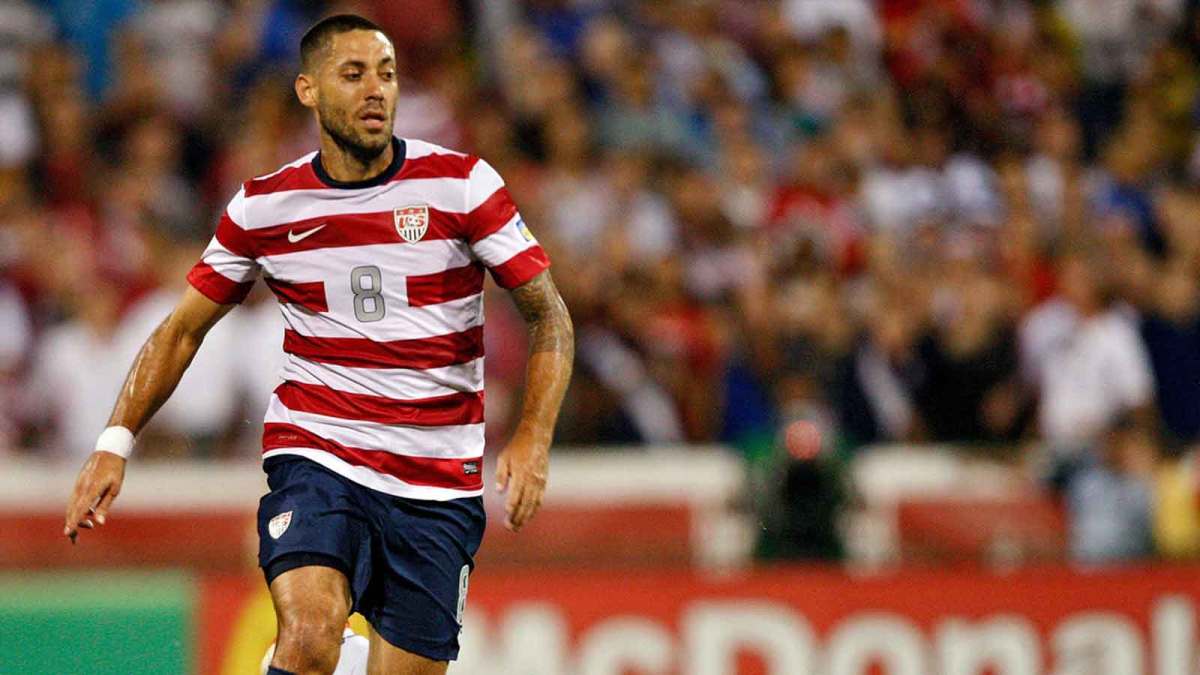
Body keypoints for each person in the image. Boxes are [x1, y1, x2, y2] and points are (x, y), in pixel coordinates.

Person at [62, 14, 574, 675]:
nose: (375, 91)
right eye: (353, 74)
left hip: (437, 481)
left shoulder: (463, 186)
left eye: (387, 75)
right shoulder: (264, 208)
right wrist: (114, 441)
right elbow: (183, 327)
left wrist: (534, 432)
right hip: (320, 454)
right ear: (308, 90)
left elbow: (549, 315)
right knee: (306, 638)